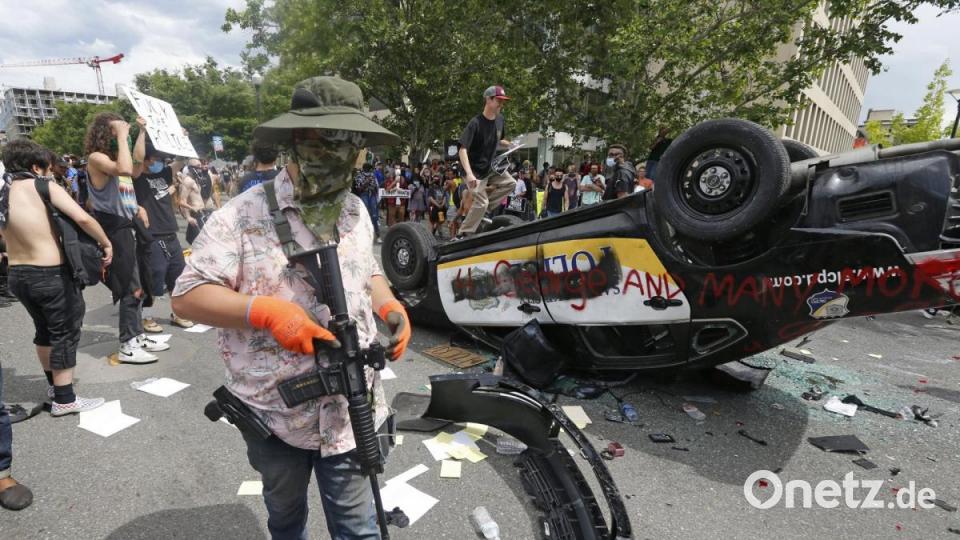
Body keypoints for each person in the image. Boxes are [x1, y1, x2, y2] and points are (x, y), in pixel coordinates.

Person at [171, 75, 411, 540]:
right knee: (285, 519)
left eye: (351, 144)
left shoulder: (355, 211)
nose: (340, 156)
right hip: (275, 417)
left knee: (359, 529)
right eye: (328, 142)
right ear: (298, 143)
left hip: (350, 411)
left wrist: (390, 307)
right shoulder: (240, 215)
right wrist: (265, 312)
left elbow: (368, 274)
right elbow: (187, 295)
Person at [0, 138, 111, 417]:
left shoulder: (3, 193)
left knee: (44, 330)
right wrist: (106, 242)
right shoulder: (41, 186)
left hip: (17, 273)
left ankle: (54, 386)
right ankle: (65, 398)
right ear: (36, 166)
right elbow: (83, 218)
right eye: (47, 166)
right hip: (49, 273)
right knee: (65, 332)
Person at [86, 113, 169, 364]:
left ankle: (138, 335)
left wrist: (140, 133)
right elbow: (123, 168)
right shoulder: (96, 158)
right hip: (115, 228)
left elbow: (135, 168)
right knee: (129, 287)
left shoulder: (115, 157)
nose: (122, 133)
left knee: (142, 283)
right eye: (116, 129)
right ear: (105, 132)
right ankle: (128, 344)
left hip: (130, 224)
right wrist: (122, 135)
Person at [131, 117, 194, 332]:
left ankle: (177, 313)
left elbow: (182, 160)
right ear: (147, 160)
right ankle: (146, 316)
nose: (160, 161)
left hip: (170, 233)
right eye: (156, 158)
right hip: (151, 236)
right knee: (153, 277)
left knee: (177, 276)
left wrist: (182, 140)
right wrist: (141, 131)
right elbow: (136, 158)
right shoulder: (137, 177)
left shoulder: (165, 173)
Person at [457, 85, 517, 237]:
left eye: (503, 102)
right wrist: (469, 175)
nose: (501, 105)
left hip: (489, 168)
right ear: (488, 100)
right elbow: (462, 149)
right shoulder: (475, 123)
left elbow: (499, 139)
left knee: (511, 183)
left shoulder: (500, 120)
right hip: (474, 171)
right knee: (481, 202)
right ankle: (463, 233)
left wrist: (509, 144)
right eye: (499, 101)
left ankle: (482, 208)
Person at [178, 158, 220, 244]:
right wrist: (188, 217)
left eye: (200, 165)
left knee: (209, 242)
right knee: (199, 243)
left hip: (204, 213)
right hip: (196, 215)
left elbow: (211, 193)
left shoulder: (197, 180)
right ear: (190, 168)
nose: (200, 168)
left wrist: (218, 207)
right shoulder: (187, 181)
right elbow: (182, 201)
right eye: (198, 166)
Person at [353, 162, 381, 240]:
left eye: (370, 169)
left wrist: (377, 198)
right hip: (364, 195)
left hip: (372, 195)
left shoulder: (372, 175)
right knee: (364, 214)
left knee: (374, 215)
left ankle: (378, 235)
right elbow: (358, 188)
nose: (370, 170)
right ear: (365, 168)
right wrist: (366, 182)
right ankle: (364, 235)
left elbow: (376, 186)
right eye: (369, 168)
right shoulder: (359, 176)